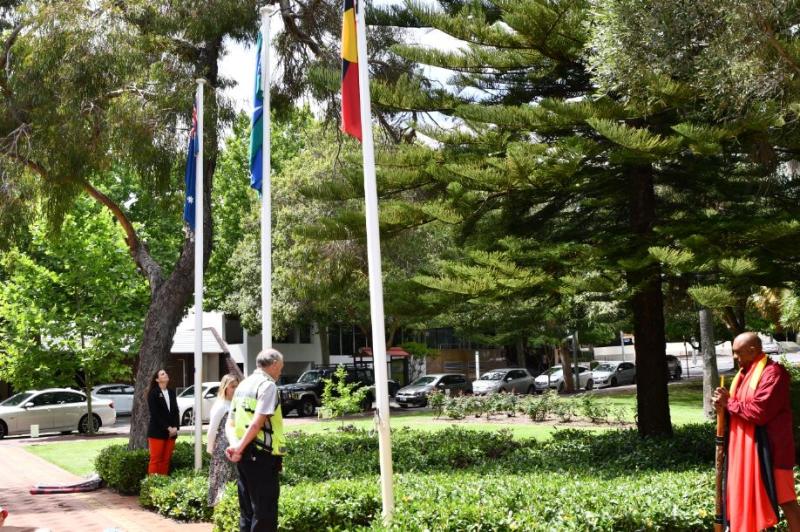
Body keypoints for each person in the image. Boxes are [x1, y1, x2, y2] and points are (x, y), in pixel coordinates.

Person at [713, 332, 800, 531]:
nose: (735, 357)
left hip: (772, 450)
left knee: (786, 500)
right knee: (746, 499)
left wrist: (730, 402)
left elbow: (760, 412)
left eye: (738, 353)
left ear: (752, 351)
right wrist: (722, 405)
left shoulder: (773, 373)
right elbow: (737, 407)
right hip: (744, 452)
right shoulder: (743, 374)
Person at [225, 349, 287, 532]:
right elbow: (256, 424)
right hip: (262, 456)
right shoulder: (267, 386)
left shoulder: (243, 385)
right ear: (274, 364)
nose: (281, 372)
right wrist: (240, 447)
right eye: (281, 367)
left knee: (247, 511)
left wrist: (235, 446)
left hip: (244, 456)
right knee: (264, 512)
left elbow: (230, 423)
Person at [207, 373, 240, 506]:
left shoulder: (236, 404)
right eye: (232, 386)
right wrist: (210, 448)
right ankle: (219, 508)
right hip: (222, 446)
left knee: (234, 478)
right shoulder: (220, 405)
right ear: (225, 387)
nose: (235, 389)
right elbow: (212, 429)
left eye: (237, 386)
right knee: (222, 479)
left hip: (235, 445)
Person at [146, 368, 180, 476]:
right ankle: (152, 485)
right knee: (156, 460)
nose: (166, 374)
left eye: (165, 373)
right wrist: (168, 427)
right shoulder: (153, 393)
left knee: (166, 460)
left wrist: (175, 427)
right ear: (157, 379)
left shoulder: (171, 392)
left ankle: (162, 484)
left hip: (171, 433)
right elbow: (155, 414)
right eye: (162, 374)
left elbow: (175, 411)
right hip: (157, 432)